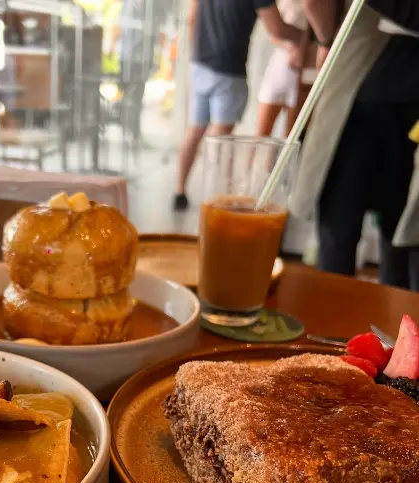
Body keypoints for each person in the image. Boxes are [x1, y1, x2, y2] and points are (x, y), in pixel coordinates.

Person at [291, 0, 419, 288]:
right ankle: (396, 315)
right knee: (403, 234)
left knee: (339, 231)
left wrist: (326, 39)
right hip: (402, 103)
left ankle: (335, 313)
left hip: (357, 84)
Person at [174, 0, 302, 211]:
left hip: (199, 65)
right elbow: (277, 28)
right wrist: (308, 36)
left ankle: (180, 191)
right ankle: (217, 204)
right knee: (221, 141)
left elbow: (192, 18)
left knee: (195, 131)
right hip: (228, 70)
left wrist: (199, 56)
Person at [256, 0, 317, 138]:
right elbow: (273, 32)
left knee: (291, 136)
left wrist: (305, 50)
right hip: (279, 69)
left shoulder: (321, 5)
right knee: (262, 133)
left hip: (305, 73)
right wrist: (290, 47)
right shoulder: (285, 2)